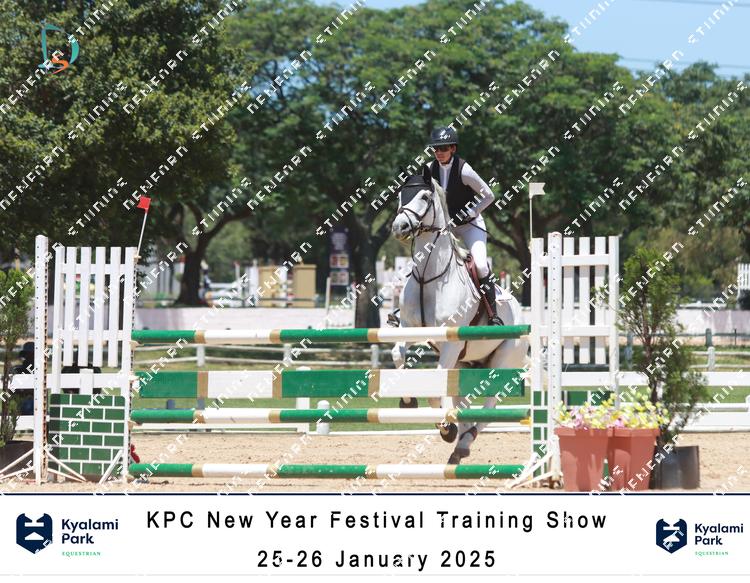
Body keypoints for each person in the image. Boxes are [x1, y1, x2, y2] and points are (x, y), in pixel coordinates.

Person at [426, 126, 504, 325]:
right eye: (436, 149)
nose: (439, 152)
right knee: (425, 260)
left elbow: (489, 195)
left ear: (453, 148)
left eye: (444, 148)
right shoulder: (429, 169)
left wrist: (471, 212)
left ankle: (493, 314)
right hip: (446, 228)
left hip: (470, 225)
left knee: (480, 265)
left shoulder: (465, 170)